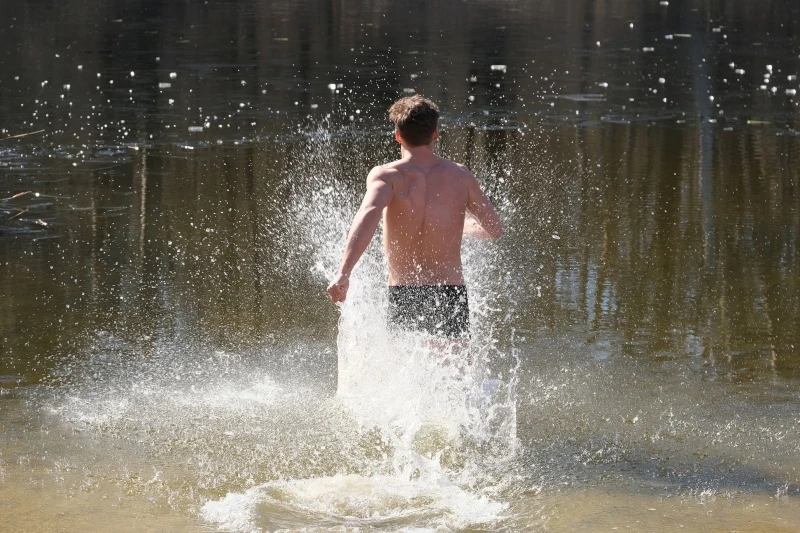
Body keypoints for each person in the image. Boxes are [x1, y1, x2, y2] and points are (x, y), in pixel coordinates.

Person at [326, 95, 503, 341]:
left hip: (405, 293)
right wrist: (463, 227)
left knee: (406, 372)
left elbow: (367, 216)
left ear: (398, 135)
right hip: (450, 292)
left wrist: (344, 272)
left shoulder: (387, 176)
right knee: (454, 374)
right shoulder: (460, 176)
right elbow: (494, 229)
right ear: (436, 134)